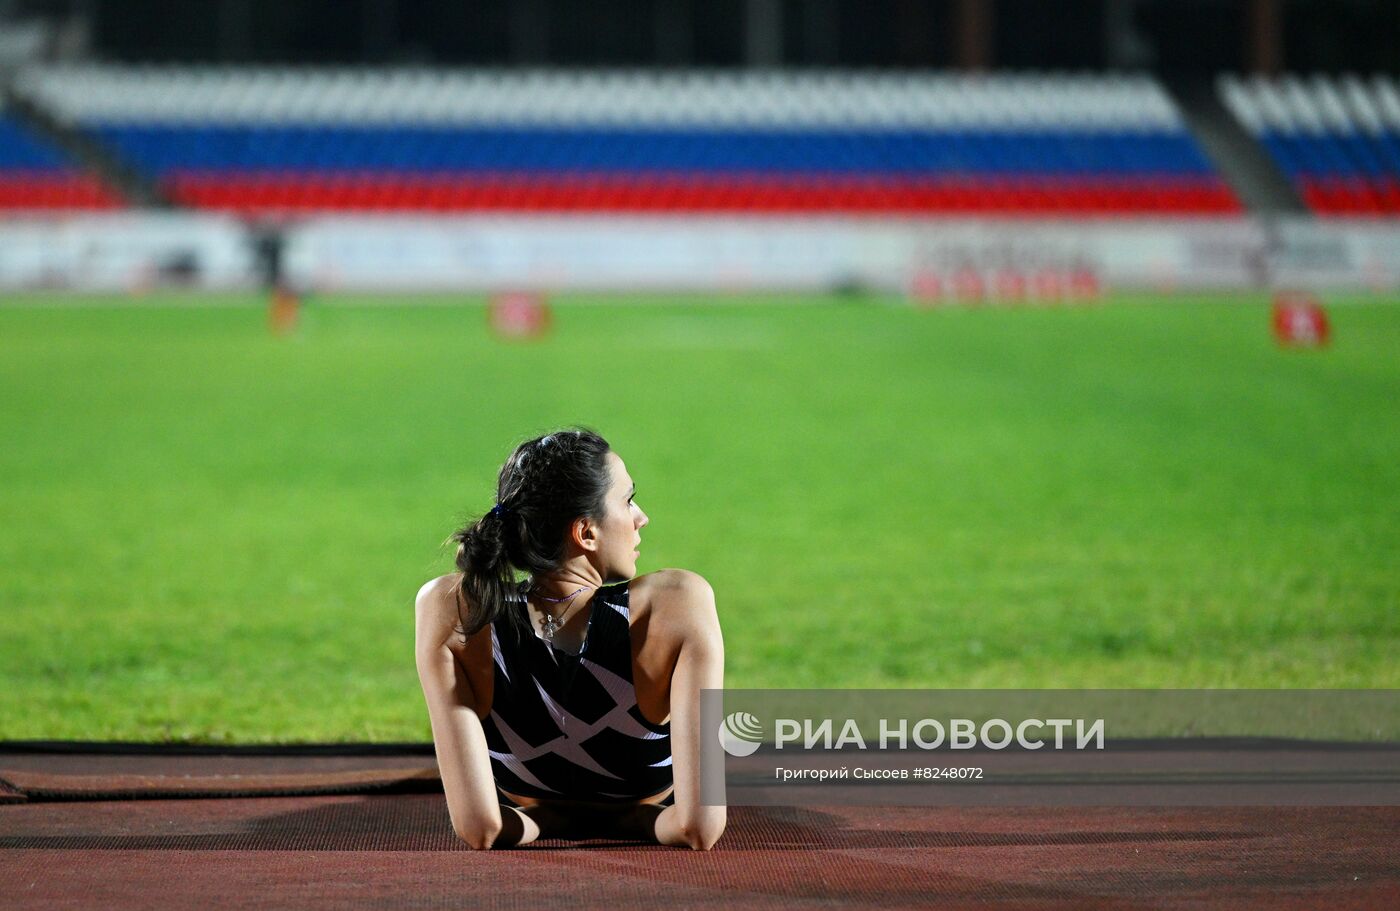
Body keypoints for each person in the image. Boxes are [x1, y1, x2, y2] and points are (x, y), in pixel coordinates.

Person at [414, 429, 726, 850]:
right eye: (628, 500)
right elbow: (699, 828)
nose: (641, 518)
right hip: (651, 809)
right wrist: (631, 819)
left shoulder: (452, 606)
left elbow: (481, 828)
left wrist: (548, 820)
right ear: (586, 533)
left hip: (523, 811)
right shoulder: (676, 605)